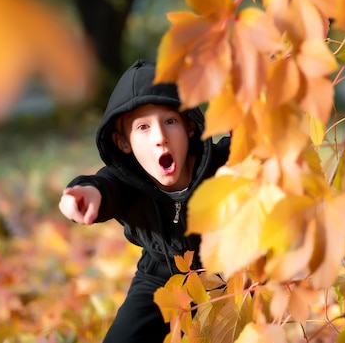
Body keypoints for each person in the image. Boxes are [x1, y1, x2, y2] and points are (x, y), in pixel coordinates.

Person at [58, 59, 230, 342]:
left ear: (189, 126)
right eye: (143, 128)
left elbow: (252, 142)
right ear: (123, 142)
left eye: (170, 121)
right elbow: (104, 187)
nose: (160, 137)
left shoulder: (220, 165)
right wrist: (85, 194)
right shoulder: (127, 183)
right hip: (160, 277)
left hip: (225, 277)